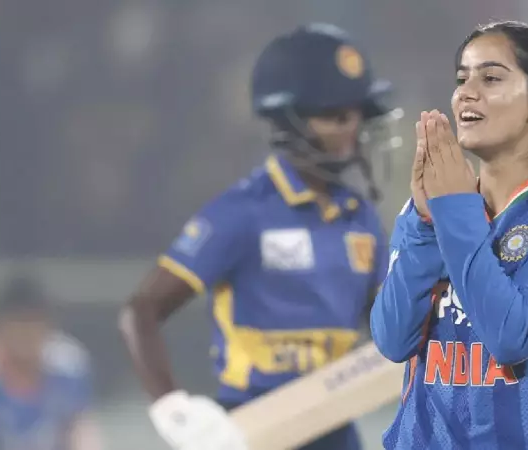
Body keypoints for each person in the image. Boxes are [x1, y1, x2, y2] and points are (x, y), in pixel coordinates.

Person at [119, 23, 396, 450]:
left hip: (336, 428)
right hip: (250, 428)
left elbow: (390, 328)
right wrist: (172, 409)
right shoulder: (243, 212)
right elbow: (142, 310)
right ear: (290, 118)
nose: (351, 128)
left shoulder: (360, 219)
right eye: (334, 115)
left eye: (357, 115)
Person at [371, 21, 528, 450]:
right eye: (461, 79)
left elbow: (511, 337)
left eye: (490, 78)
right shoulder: (433, 210)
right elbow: (393, 339)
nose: (466, 93)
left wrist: (454, 212)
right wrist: (425, 222)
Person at [0, 274, 102, 450]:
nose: (26, 333)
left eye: (33, 323)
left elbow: (82, 428)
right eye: (19, 323)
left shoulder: (68, 364)